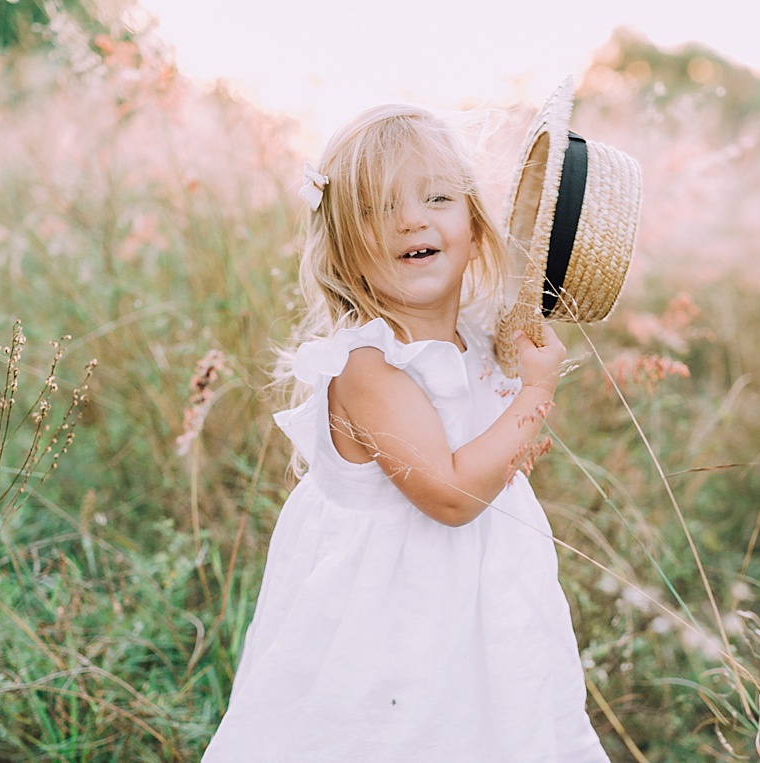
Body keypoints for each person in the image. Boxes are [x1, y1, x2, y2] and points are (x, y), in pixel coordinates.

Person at [202, 102, 611, 762]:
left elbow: (495, 460)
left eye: (437, 197)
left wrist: (514, 406)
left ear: (477, 228)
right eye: (377, 207)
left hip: (479, 607)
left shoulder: (481, 341)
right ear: (343, 250)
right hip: (387, 622)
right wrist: (536, 392)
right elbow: (449, 495)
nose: (412, 218)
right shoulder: (370, 367)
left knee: (494, 722)